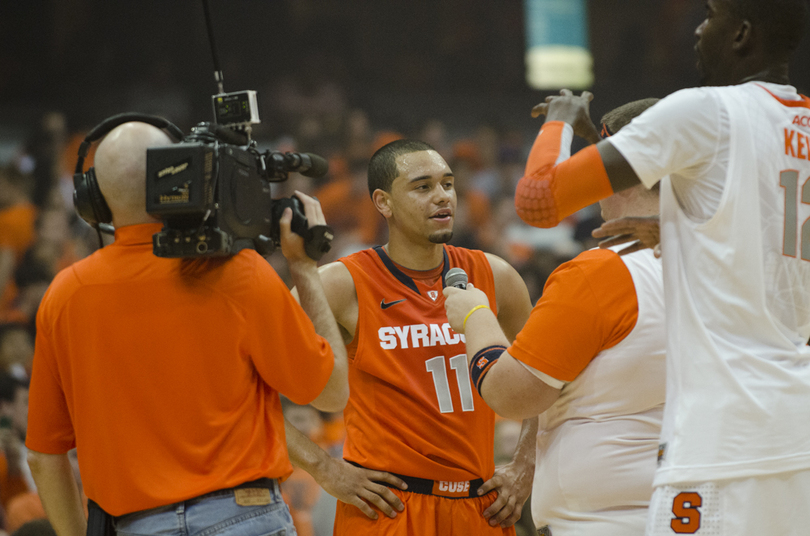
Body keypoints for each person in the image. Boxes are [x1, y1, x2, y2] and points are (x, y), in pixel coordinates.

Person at [464, 1, 810, 534]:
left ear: (741, 34)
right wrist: (677, 228)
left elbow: (537, 201)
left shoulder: (704, 110)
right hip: (794, 437)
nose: (698, 27)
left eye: (712, 15)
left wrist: (557, 123)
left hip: (721, 446)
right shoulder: (798, 125)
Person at [24, 120, 349, 536]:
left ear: (94, 199)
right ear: (184, 175)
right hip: (244, 516)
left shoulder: (64, 295)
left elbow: (43, 457)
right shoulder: (240, 272)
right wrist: (304, 267)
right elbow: (331, 392)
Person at [285, 139, 537, 535]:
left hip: (481, 507)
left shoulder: (497, 276)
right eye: (423, 187)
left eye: (448, 184)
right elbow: (243, 380)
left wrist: (527, 461)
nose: (442, 197)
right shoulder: (341, 282)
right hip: (387, 508)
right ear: (383, 202)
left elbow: (549, 377)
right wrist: (323, 468)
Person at [442, 99, 666, 535]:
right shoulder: (722, 260)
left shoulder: (603, 273)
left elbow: (512, 394)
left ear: (615, 173)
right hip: (702, 507)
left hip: (608, 521)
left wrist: (475, 316)